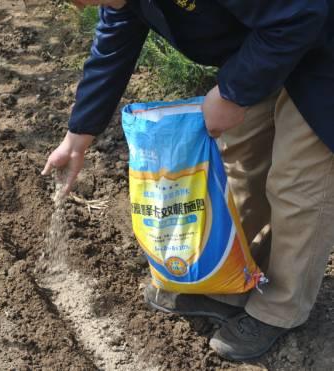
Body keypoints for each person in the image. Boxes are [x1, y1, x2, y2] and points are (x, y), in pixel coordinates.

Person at [41, 0, 334, 361]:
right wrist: (77, 137)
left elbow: (302, 13)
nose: (80, 5)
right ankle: (229, 278)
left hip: (323, 47)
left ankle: (281, 308)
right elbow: (114, 43)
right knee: (237, 162)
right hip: (268, 42)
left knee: (296, 185)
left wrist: (231, 92)